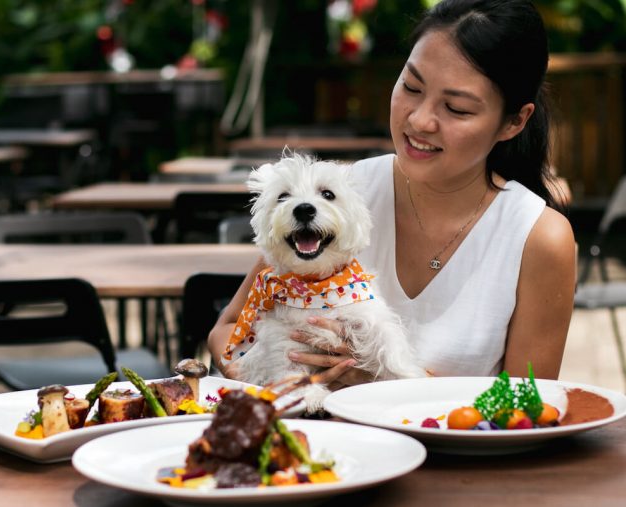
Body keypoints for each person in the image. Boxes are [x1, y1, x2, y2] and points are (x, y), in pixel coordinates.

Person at [208, 0, 576, 387]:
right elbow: (230, 328)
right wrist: (257, 368)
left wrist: (375, 385)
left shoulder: (537, 236)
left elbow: (524, 407)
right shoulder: (339, 193)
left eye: (456, 108)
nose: (419, 120)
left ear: (514, 121)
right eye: (411, 87)